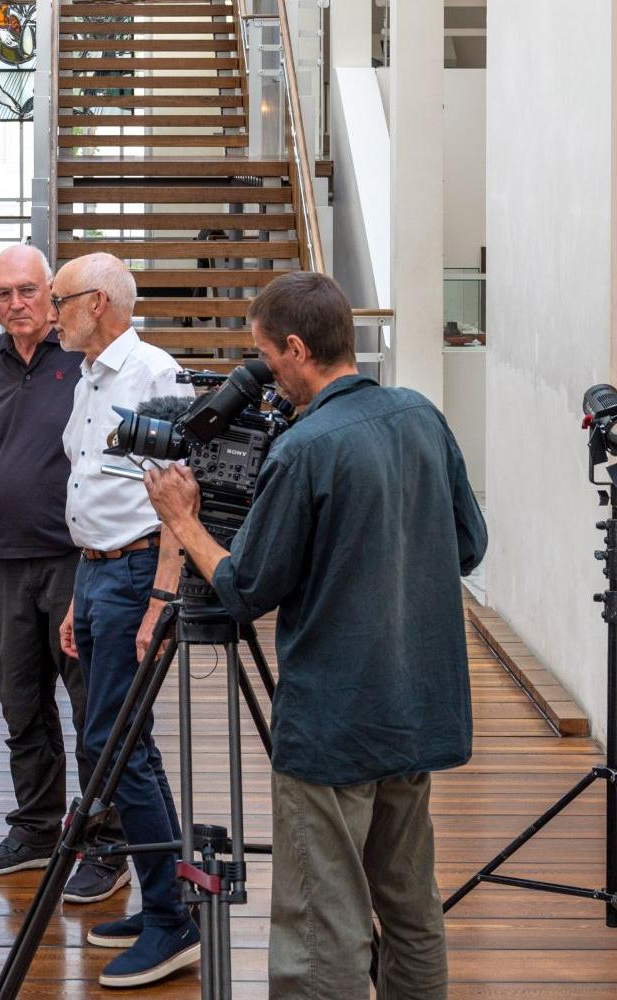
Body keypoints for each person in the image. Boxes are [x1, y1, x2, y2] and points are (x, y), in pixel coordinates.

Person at [143, 271, 487, 999]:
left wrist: (184, 522)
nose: (267, 373)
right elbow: (469, 545)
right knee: (410, 905)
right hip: (417, 707)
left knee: (321, 926)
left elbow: (246, 588)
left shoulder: (305, 448)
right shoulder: (421, 415)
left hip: (335, 723)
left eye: (268, 356)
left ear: (297, 348)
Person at [0, 246, 129, 903]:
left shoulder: (82, 356)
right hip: (8, 556)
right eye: (3, 293)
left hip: (77, 557)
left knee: (92, 703)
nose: (15, 304)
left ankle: (106, 842)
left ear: (51, 294)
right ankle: (38, 828)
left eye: (27, 291)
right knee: (21, 699)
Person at [51, 253, 201, 989]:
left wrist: (160, 599)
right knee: (127, 742)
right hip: (97, 572)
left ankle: (172, 922)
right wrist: (79, 595)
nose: (52, 315)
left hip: (138, 574)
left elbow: (181, 493)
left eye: (60, 302)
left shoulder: (153, 373)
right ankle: (166, 902)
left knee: (113, 744)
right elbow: (93, 487)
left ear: (98, 303)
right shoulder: (89, 379)